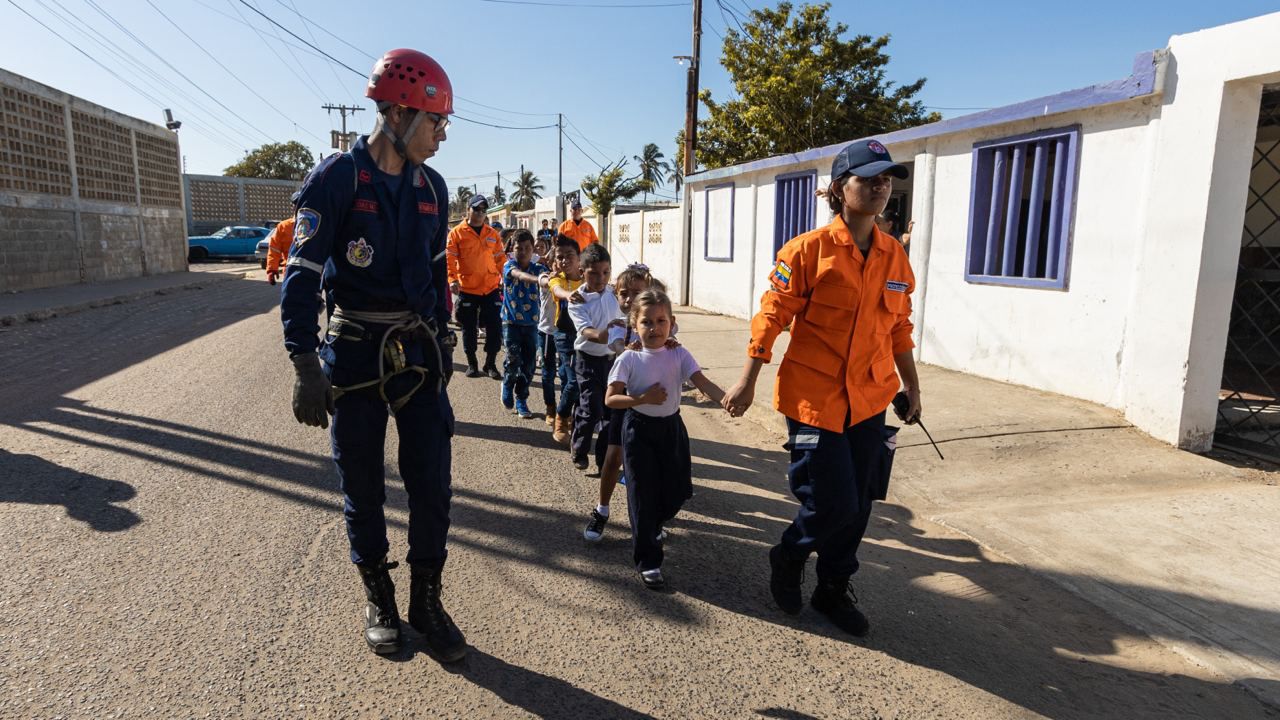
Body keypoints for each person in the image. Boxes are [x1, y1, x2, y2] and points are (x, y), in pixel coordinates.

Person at [279, 47, 466, 662]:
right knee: (362, 485)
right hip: (355, 351)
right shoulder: (338, 178)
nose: (441, 136)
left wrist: (443, 337)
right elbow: (301, 275)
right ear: (399, 114)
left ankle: (426, 601)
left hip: (416, 350)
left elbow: (436, 276)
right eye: (436, 122)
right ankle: (379, 597)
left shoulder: (432, 188)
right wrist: (304, 361)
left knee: (432, 483)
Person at [721, 138, 922, 638]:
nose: (880, 186)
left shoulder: (894, 256)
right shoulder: (807, 251)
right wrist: (748, 379)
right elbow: (771, 316)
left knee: (860, 503)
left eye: (886, 179)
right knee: (833, 502)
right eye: (868, 179)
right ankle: (790, 554)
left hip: (870, 399)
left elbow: (899, 328)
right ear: (839, 189)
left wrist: (912, 387)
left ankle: (832, 587)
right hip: (814, 399)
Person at [607, 289, 726, 589]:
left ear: (671, 323)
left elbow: (702, 382)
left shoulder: (678, 353)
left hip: (671, 429)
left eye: (661, 321)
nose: (654, 328)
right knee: (642, 495)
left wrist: (727, 400)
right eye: (646, 322)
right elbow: (611, 399)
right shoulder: (629, 358)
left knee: (677, 491)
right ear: (634, 324)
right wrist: (641, 398)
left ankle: (653, 524)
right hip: (638, 431)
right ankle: (649, 560)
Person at [583, 263, 665, 542]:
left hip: (652, 404)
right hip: (623, 401)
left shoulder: (659, 325)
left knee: (649, 465)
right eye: (623, 293)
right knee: (613, 458)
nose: (629, 299)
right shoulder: (619, 326)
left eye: (636, 293)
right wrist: (626, 349)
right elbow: (617, 346)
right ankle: (602, 510)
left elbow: (671, 346)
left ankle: (649, 518)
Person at [566, 243, 617, 471]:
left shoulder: (613, 293)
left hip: (613, 361)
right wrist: (605, 335)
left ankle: (603, 457)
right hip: (587, 360)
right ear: (582, 272)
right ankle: (579, 448)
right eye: (594, 273)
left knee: (610, 411)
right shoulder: (578, 300)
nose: (601, 278)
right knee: (591, 409)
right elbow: (586, 331)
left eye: (605, 272)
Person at [447, 194, 506, 379]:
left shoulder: (492, 234)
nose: (480, 213)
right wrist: (452, 279)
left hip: (490, 288)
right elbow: (450, 259)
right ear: (468, 210)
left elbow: (500, 259)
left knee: (495, 327)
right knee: (469, 328)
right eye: (477, 209)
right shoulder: (457, 233)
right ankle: (472, 363)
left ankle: (490, 363)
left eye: (483, 210)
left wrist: (506, 276)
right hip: (467, 288)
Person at [500, 229, 550, 418]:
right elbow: (519, 275)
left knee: (529, 366)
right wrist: (539, 281)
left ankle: (521, 398)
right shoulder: (509, 266)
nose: (523, 252)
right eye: (519, 248)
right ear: (512, 249)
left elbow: (550, 278)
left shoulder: (539, 269)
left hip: (532, 325)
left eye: (527, 248)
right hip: (511, 322)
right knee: (513, 360)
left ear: (533, 250)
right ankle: (507, 383)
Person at [546, 235, 584, 444]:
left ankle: (575, 419)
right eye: (560, 257)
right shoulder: (557, 279)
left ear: (579, 257)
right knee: (574, 381)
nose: (564, 261)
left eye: (570, 256)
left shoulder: (589, 277)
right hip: (565, 336)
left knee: (576, 380)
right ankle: (560, 418)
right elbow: (556, 290)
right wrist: (568, 295)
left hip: (587, 336)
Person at [263, 215, 296, 285]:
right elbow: (274, 249)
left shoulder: (316, 225)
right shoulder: (284, 226)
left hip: (315, 274)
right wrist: (272, 269)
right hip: (290, 272)